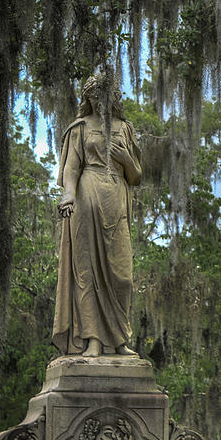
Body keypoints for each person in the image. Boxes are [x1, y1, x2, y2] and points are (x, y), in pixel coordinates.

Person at [53, 73, 142, 357]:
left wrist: (126, 159)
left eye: (103, 96)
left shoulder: (125, 128)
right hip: (86, 198)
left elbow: (136, 176)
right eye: (92, 97)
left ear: (112, 98)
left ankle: (118, 341)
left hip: (117, 199)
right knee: (86, 272)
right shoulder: (79, 128)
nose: (97, 102)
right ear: (87, 99)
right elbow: (71, 169)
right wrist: (68, 195)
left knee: (122, 276)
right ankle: (92, 339)